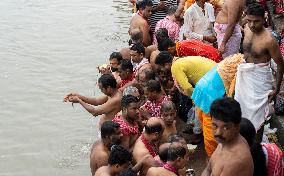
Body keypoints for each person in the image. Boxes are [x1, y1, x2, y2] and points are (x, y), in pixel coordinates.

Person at [234, 3, 284, 142]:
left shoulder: (269, 40)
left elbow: (280, 64)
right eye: (249, 20)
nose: (252, 24)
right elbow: (239, 23)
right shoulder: (246, 28)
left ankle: (255, 150)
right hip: (244, 77)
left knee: (258, 116)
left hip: (260, 80)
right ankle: (243, 142)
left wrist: (276, 89)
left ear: (264, 19)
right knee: (241, 111)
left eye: (256, 21)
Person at [191, 53, 244, 156]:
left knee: (207, 124)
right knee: (211, 133)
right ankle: (213, 156)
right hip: (210, 95)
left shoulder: (233, 60)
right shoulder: (240, 67)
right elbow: (234, 92)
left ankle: (212, 153)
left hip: (202, 89)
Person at [202, 97, 253, 176]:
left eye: (225, 128)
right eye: (215, 126)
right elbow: (208, 169)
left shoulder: (236, 161)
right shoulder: (225, 141)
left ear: (237, 127)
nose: (218, 132)